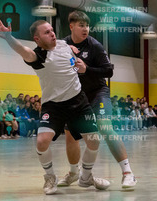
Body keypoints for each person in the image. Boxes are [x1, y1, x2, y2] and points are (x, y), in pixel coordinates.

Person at [0, 17, 109, 195]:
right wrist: (8, 38)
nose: (52, 33)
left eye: (52, 30)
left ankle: (86, 177)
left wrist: (74, 51)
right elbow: (23, 50)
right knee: (42, 141)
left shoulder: (63, 44)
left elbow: (69, 50)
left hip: (78, 101)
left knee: (94, 140)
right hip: (53, 106)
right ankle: (50, 177)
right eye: (47, 32)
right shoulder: (38, 56)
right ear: (37, 39)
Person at [58, 11, 137, 189]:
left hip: (97, 93)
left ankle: (128, 173)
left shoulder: (95, 46)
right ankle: (73, 173)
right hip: (75, 96)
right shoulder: (63, 45)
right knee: (70, 134)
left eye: (87, 26)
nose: (85, 29)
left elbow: (108, 71)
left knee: (105, 126)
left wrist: (87, 69)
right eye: (81, 25)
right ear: (71, 27)